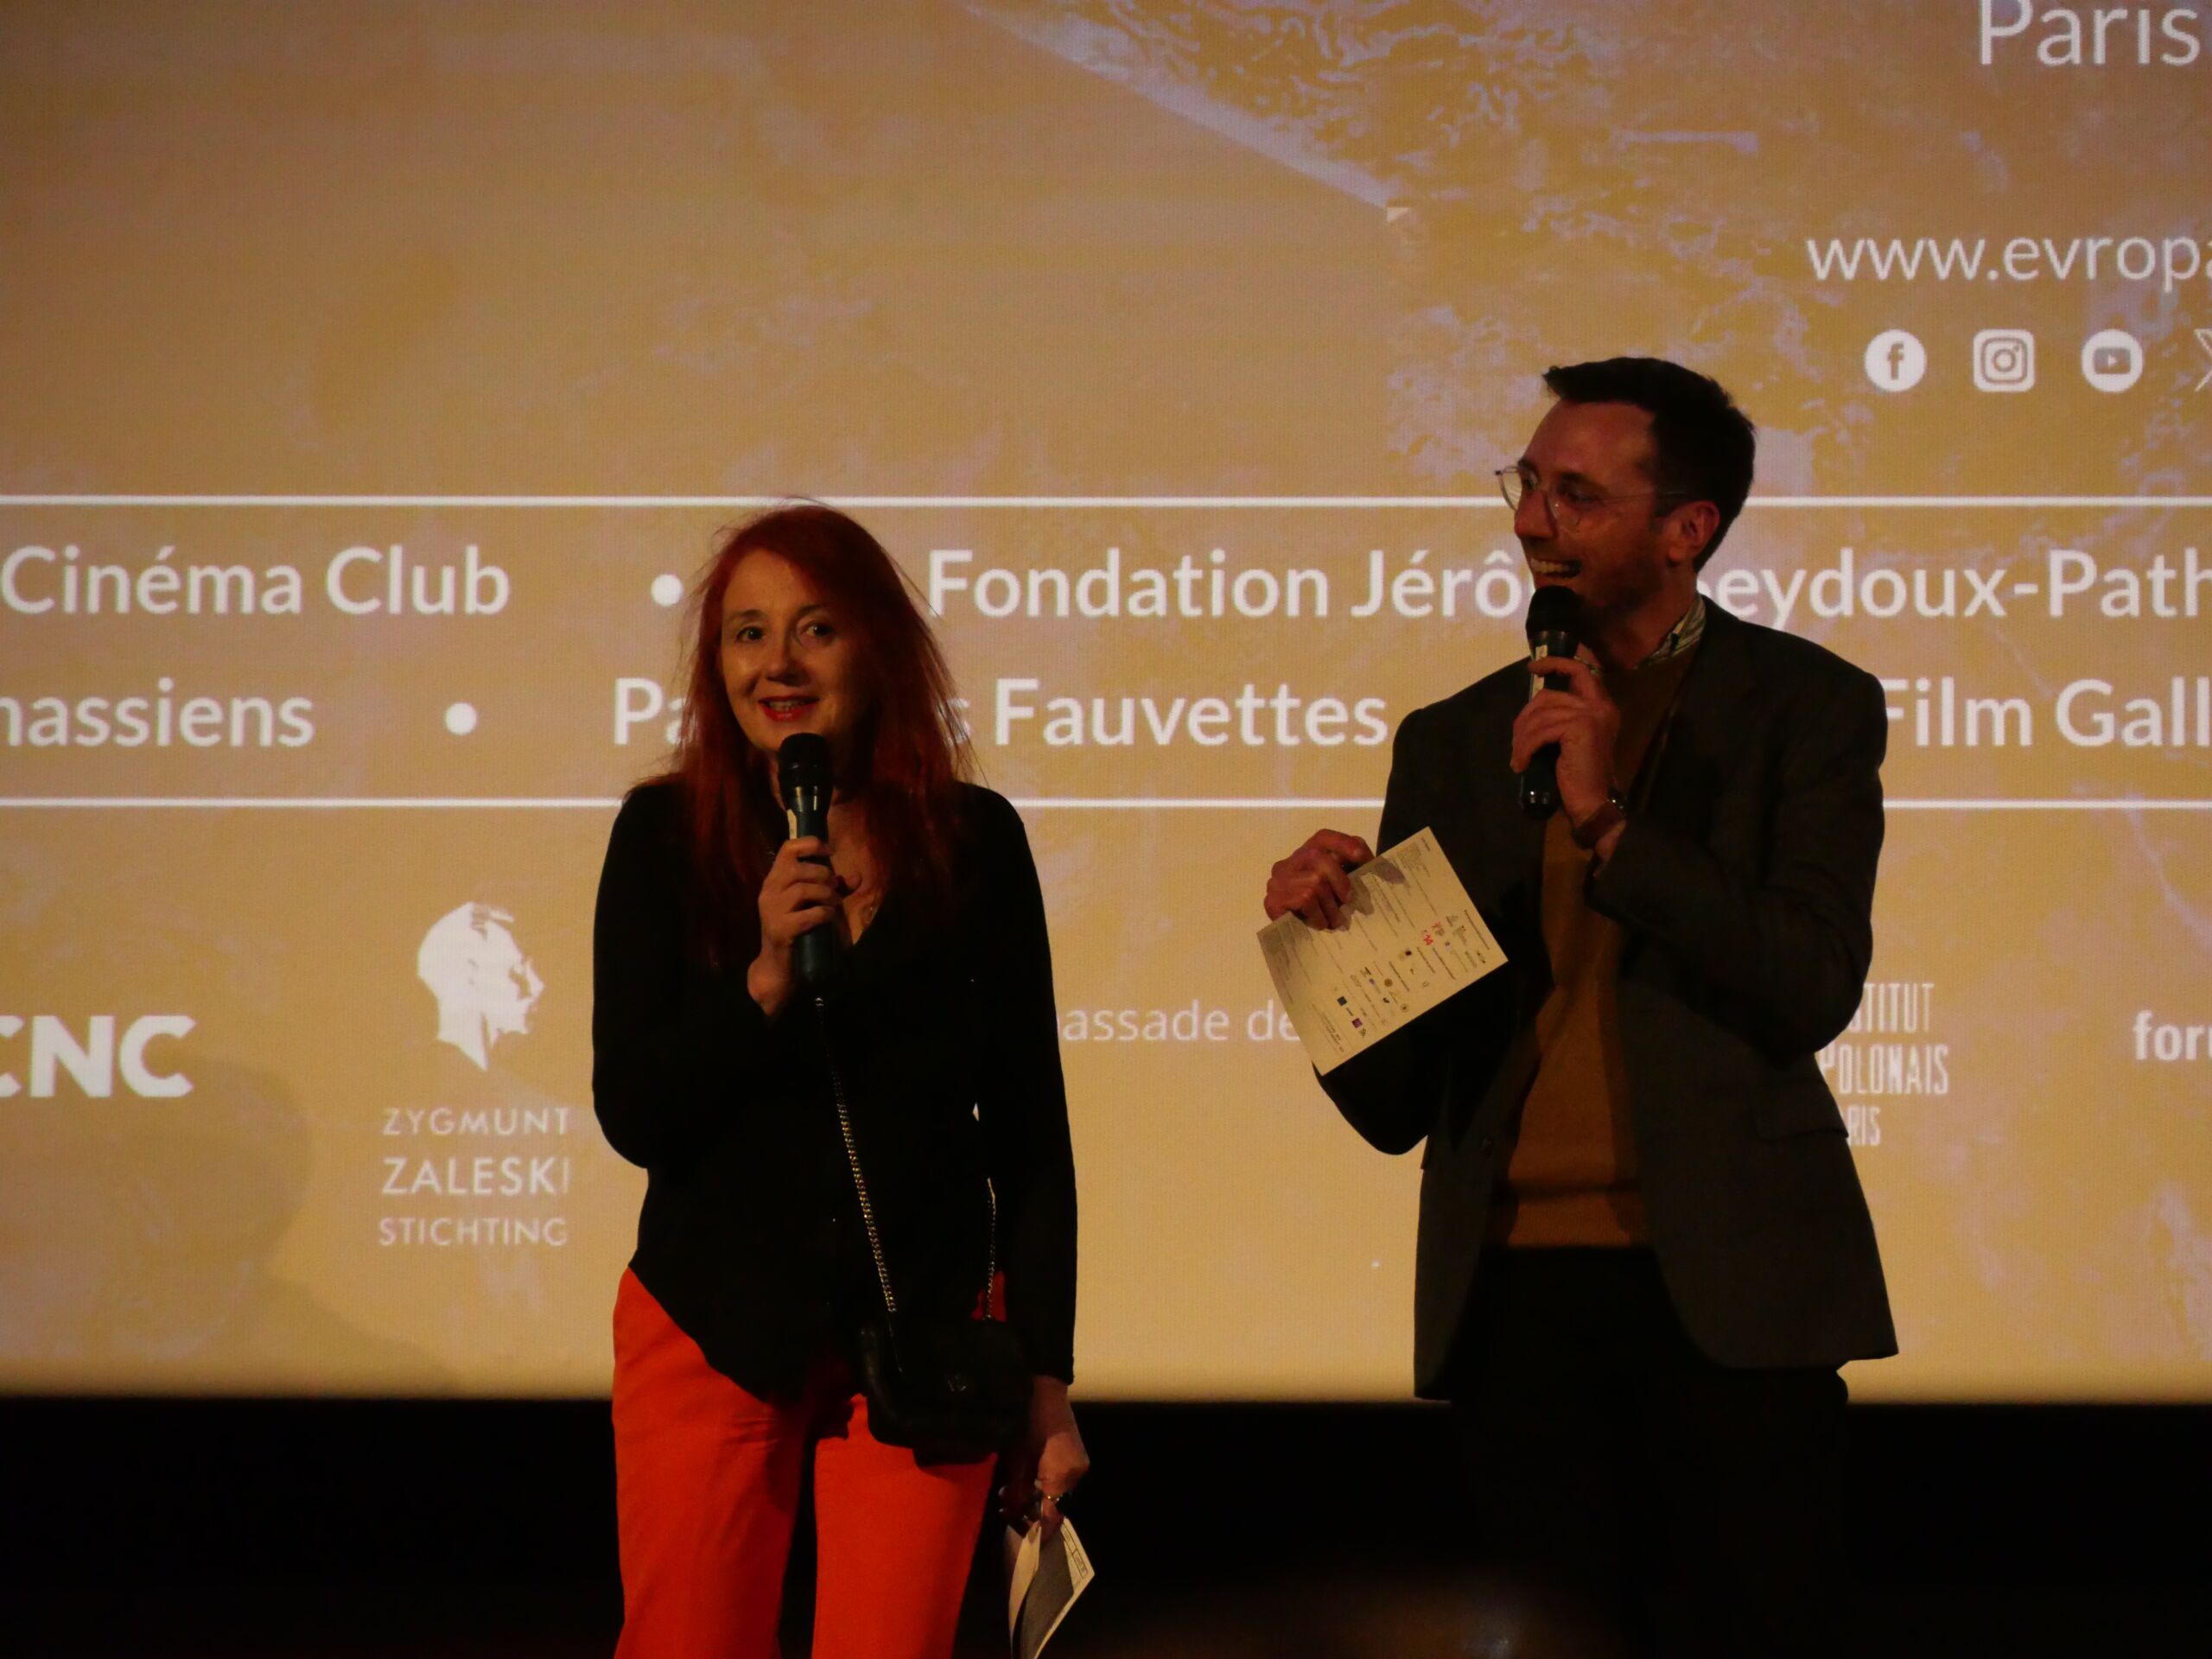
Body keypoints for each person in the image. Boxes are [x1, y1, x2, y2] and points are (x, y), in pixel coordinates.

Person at [1264, 359, 1893, 1656]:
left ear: (1686, 530)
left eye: (1576, 495)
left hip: (1731, 1286)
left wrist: (1609, 820)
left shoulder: (1806, 708)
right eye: (1529, 484)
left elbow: (1809, 979)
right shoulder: (1453, 740)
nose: (1531, 520)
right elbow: (1393, 1101)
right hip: (1515, 1297)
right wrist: (1327, 940)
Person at [593, 503, 1085, 1659]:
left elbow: (1030, 1132)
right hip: (713, 1322)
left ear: (877, 646)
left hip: (927, 1335)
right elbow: (637, 1110)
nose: (778, 665)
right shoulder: (664, 837)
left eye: (814, 629)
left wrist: (1048, 1379)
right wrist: (761, 980)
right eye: (747, 634)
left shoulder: (974, 841)